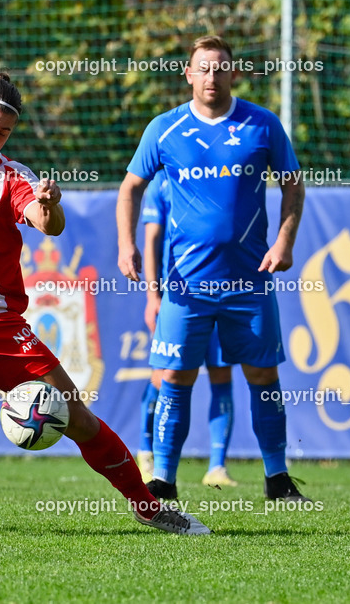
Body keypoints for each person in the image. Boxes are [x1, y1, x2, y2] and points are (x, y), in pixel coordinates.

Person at [0, 72, 209, 536]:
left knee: (78, 418)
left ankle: (149, 508)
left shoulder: (11, 177)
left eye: (3, 132)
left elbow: (48, 223)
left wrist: (49, 205)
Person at [116, 35, 308, 503]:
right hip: (186, 287)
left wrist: (285, 241)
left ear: (234, 74)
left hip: (250, 282)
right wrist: (126, 245)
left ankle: (278, 479)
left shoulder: (262, 124)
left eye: (221, 68)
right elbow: (130, 188)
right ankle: (163, 480)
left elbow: (293, 184)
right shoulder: (165, 128)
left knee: (263, 377)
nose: (212, 77)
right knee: (175, 378)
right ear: (188, 74)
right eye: (203, 68)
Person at [139, 169, 236, 487]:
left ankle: (217, 467)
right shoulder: (162, 183)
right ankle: (146, 454)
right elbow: (151, 240)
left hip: (223, 293)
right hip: (178, 299)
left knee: (221, 374)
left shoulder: (216, 172)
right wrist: (153, 295)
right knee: (163, 376)